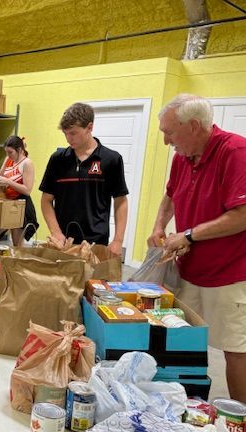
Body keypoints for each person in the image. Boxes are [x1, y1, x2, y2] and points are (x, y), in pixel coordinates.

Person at [149, 93, 246, 402]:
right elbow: (170, 195)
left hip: (228, 275)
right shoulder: (183, 156)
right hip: (189, 271)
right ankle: (188, 405)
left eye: (169, 132)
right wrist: (158, 226)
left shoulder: (235, 152)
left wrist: (188, 236)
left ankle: (240, 425)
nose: (166, 141)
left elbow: (242, 215)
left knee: (236, 350)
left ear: (194, 126)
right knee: (184, 342)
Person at [39, 103, 129, 255]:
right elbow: (46, 200)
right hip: (64, 242)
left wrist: (118, 240)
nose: (69, 138)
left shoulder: (111, 159)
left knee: (92, 279)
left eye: (73, 133)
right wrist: (56, 232)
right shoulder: (57, 160)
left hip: (96, 242)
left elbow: (120, 201)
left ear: (89, 127)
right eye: (65, 133)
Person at [0, 136, 38, 247]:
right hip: (7, 202)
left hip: (20, 204)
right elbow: (0, 177)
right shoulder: (9, 159)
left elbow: (27, 190)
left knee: (17, 244)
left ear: (19, 150)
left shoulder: (27, 163)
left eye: (10, 152)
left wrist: (8, 181)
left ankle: (15, 263)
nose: (8, 155)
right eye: (6, 152)